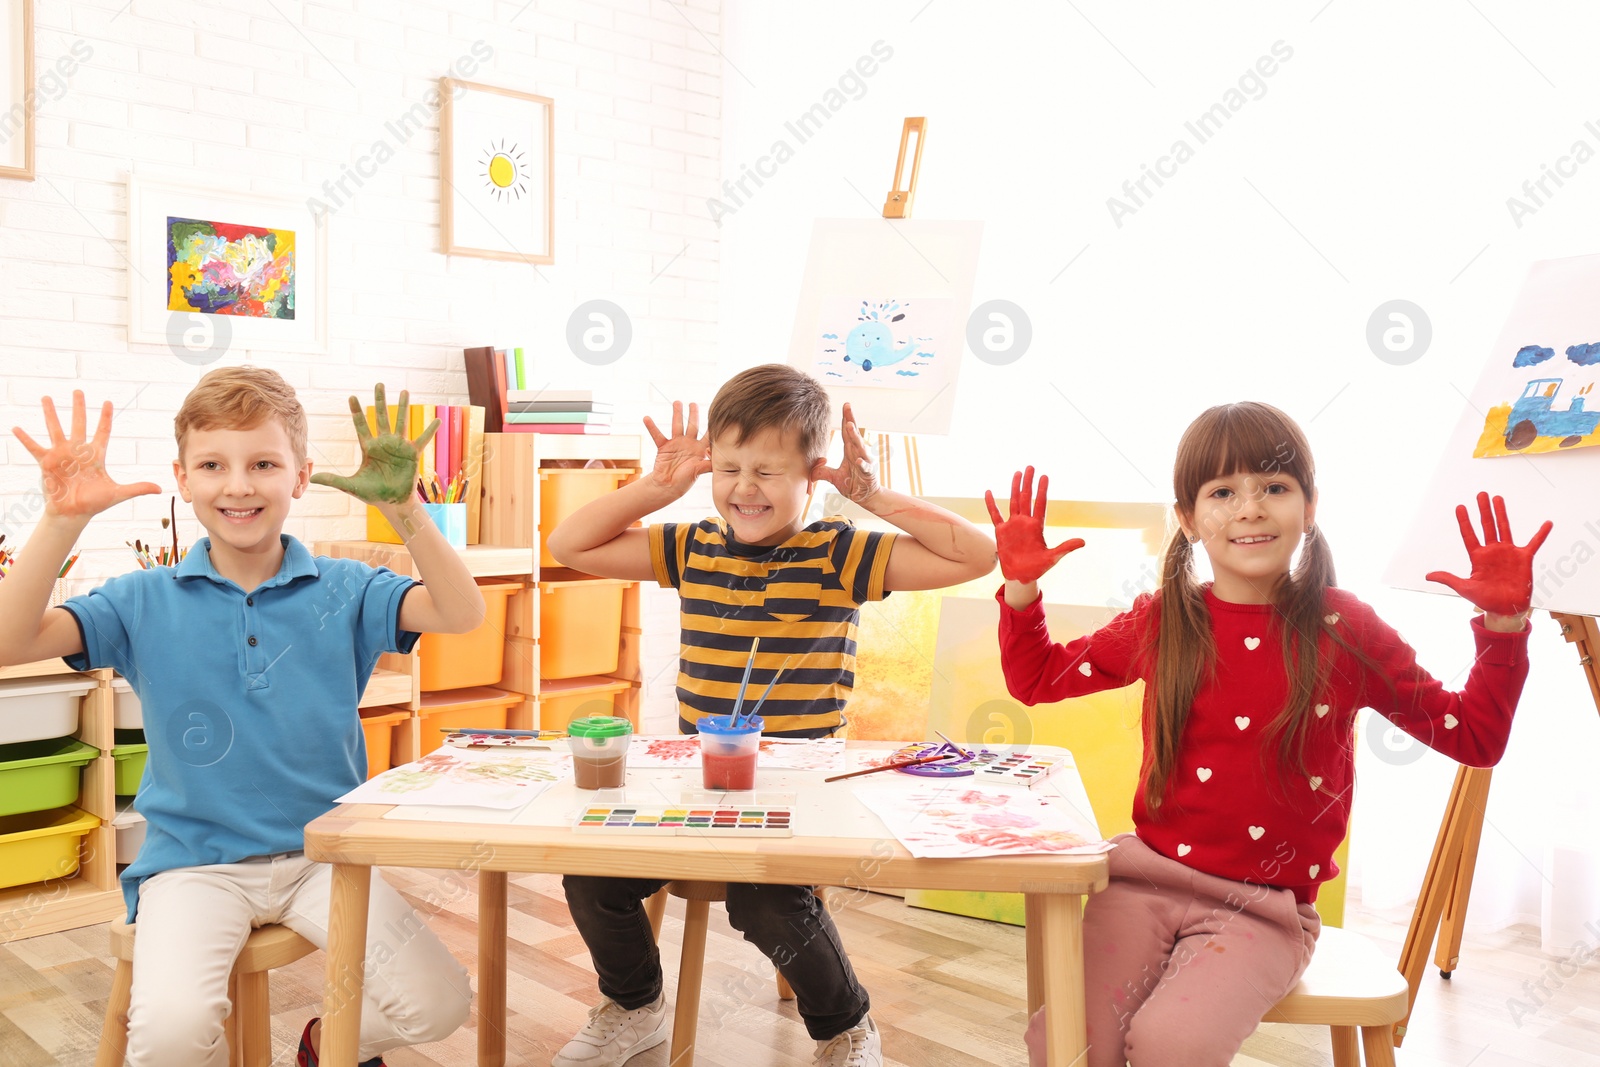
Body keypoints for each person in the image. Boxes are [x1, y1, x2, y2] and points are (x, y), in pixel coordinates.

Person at [986, 402, 1550, 1067]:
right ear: (1190, 519)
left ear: (1309, 506)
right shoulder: (1165, 618)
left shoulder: (1346, 628)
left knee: (1173, 1043)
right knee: (1068, 1041)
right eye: (1223, 491)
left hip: (1266, 911)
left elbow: (1474, 736)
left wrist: (1503, 628)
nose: (1250, 507)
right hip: (1140, 882)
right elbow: (1040, 677)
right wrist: (1021, 588)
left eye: (1274, 487)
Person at [0, 369, 483, 1067]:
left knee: (439, 1002)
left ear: (301, 475)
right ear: (182, 477)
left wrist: (409, 511)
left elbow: (462, 614)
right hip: (194, 865)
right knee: (169, 1034)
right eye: (213, 465)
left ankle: (323, 1043)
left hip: (325, 855)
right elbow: (11, 643)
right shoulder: (141, 598)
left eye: (263, 463)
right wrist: (63, 519)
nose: (239, 485)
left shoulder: (345, 586)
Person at [544, 363, 996, 1067]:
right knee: (592, 876)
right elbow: (568, 545)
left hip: (799, 783)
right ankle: (634, 1006)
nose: (744, 488)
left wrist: (871, 494)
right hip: (699, 779)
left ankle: (847, 1029)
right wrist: (657, 489)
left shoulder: (840, 554)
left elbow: (977, 554)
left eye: (767, 470)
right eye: (727, 468)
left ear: (813, 474)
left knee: (765, 904)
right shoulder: (691, 546)